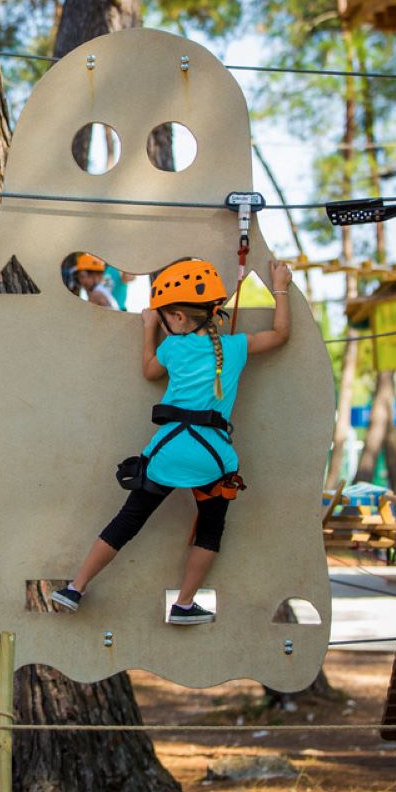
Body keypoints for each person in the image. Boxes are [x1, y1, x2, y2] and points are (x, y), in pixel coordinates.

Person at [52, 256, 293, 623]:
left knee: (126, 522)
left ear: (177, 318)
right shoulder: (235, 348)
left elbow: (149, 372)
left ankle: (76, 587)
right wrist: (280, 287)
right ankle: (183, 604)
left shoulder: (172, 348)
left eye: (163, 315)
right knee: (211, 530)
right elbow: (280, 335)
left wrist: (148, 329)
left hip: (167, 454)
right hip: (212, 458)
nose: (161, 319)